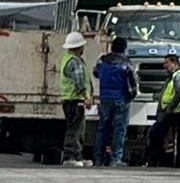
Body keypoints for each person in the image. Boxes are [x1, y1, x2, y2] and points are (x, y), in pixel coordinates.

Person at [93, 36, 139, 167]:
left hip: (105, 98)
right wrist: (131, 96)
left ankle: (98, 159)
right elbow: (133, 83)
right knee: (119, 129)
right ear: (124, 48)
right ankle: (116, 159)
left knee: (102, 129)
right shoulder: (127, 63)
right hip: (121, 99)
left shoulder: (102, 61)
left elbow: (96, 73)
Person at [145, 53, 180, 167]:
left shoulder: (179, 75)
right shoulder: (174, 76)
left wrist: (170, 108)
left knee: (155, 134)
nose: (164, 65)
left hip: (172, 113)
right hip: (170, 112)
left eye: (167, 63)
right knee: (159, 136)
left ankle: (154, 160)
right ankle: (158, 160)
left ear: (174, 63)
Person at [58, 32, 92, 167]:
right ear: (79, 47)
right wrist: (86, 97)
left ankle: (77, 156)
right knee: (75, 129)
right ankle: (70, 157)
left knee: (78, 128)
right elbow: (79, 82)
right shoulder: (74, 62)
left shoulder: (68, 58)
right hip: (74, 99)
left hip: (70, 99)